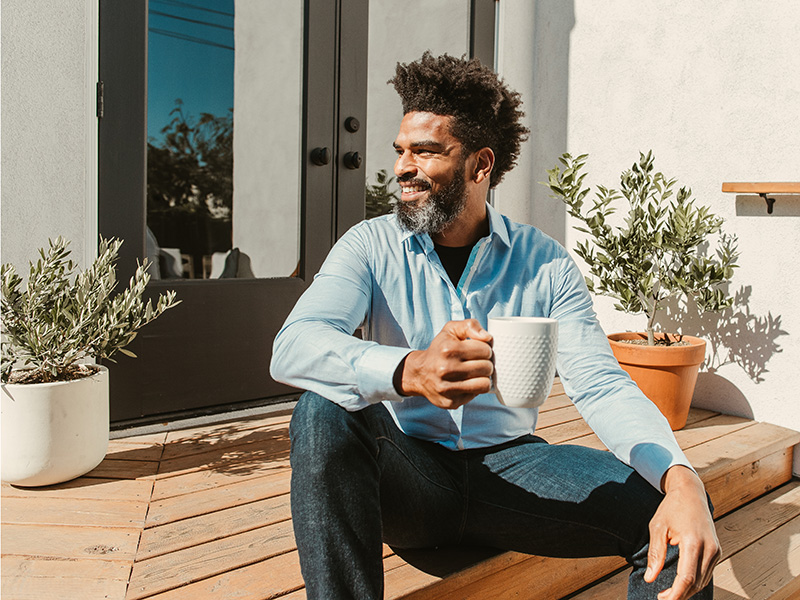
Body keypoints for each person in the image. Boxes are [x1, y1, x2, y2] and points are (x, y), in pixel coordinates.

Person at [270, 52, 720, 600]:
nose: (403, 168)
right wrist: (408, 370)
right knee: (322, 410)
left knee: (677, 515)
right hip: (410, 475)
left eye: (426, 152)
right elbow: (293, 346)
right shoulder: (369, 246)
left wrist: (681, 477)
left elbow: (600, 383)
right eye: (400, 151)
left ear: (480, 166)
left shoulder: (546, 262)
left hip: (518, 468)